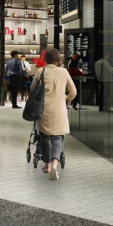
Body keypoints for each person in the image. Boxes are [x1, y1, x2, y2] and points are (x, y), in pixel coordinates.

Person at [31, 48, 76, 180]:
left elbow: (33, 90)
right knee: (57, 138)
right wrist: (66, 100)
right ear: (58, 59)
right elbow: (73, 92)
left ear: (46, 59)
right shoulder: (64, 71)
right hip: (59, 110)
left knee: (45, 137)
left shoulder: (41, 71)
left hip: (43, 110)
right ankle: (55, 165)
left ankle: (48, 166)